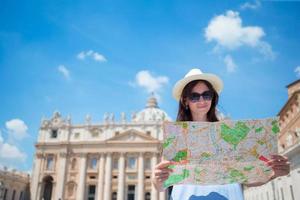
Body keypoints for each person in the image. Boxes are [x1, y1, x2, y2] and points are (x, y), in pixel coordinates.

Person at [152, 68, 290, 200]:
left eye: (206, 95)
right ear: (185, 100)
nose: (202, 100)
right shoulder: (175, 137)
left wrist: (273, 174)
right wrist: (157, 179)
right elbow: (161, 186)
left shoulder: (231, 134)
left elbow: (246, 179)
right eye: (194, 96)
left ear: (213, 98)